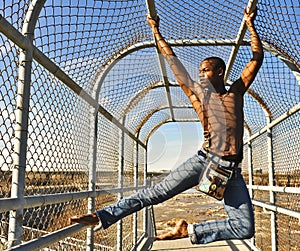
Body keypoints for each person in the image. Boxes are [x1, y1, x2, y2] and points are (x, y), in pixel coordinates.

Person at [70, 7, 263, 245]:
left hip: (231, 170)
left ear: (220, 72)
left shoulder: (236, 92)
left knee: (245, 227)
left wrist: (250, 26)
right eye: (200, 71)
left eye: (206, 70)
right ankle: (101, 216)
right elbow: (174, 64)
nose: (201, 74)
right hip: (205, 160)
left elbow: (256, 59)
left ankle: (189, 231)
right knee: (156, 193)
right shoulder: (199, 97)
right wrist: (156, 31)